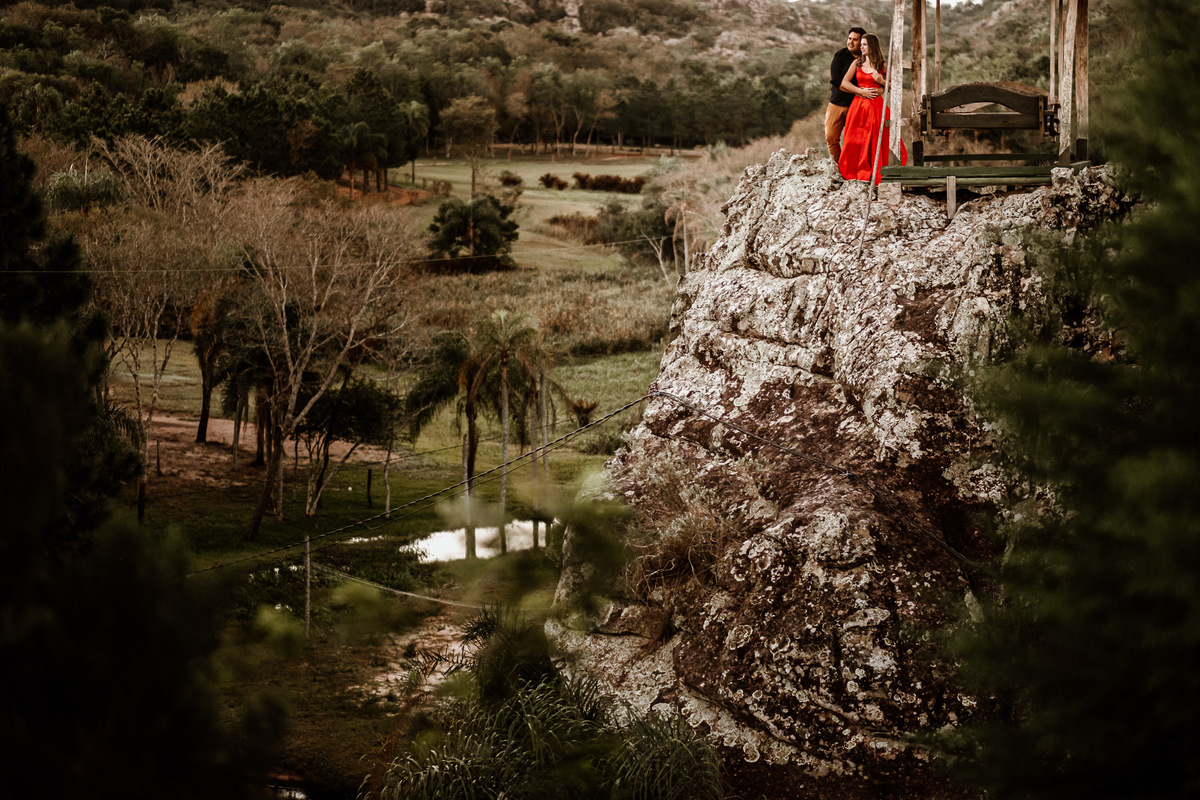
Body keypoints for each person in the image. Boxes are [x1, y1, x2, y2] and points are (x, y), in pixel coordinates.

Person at [837, 32, 907, 184]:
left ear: (872, 46)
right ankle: (853, 172)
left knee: (878, 138)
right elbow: (844, 83)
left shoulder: (882, 64)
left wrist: (881, 81)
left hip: (876, 107)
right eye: (861, 44)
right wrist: (860, 91)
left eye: (864, 44)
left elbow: (895, 86)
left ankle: (879, 172)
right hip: (858, 107)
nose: (861, 47)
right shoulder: (857, 63)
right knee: (855, 139)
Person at [824, 27, 867, 162]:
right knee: (831, 138)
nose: (850, 42)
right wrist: (858, 91)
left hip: (856, 106)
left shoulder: (867, 59)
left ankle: (849, 168)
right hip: (836, 104)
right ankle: (837, 167)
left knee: (854, 141)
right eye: (849, 39)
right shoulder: (840, 55)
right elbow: (837, 81)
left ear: (862, 42)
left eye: (855, 40)